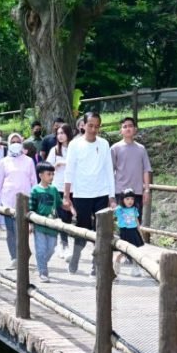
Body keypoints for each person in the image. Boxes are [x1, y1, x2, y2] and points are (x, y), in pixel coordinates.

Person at [63, 112, 115, 276]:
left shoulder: (104, 144)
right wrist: (66, 195)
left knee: (101, 229)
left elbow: (109, 170)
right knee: (83, 227)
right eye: (90, 125)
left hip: (101, 192)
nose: (93, 129)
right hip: (82, 193)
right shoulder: (75, 144)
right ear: (83, 125)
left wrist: (112, 196)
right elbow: (69, 170)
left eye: (97, 126)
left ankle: (96, 264)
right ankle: (76, 257)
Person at [0, 132, 36, 269]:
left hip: (25, 202)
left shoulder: (28, 161)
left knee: (22, 231)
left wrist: (36, 200)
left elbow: (34, 181)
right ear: (9, 144)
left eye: (18, 142)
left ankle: (24, 254)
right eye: (13, 142)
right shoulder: (4, 162)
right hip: (8, 201)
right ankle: (15, 258)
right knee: (11, 231)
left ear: (22, 144)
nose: (16, 144)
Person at [111, 117, 152, 222]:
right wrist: (110, 195)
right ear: (120, 130)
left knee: (136, 221)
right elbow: (110, 171)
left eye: (130, 126)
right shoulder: (115, 148)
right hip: (120, 192)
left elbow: (146, 170)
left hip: (137, 192)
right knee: (122, 222)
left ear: (135, 129)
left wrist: (147, 190)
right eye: (124, 127)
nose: (128, 129)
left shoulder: (141, 149)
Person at [29, 162, 62, 283]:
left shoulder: (54, 189)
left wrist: (69, 206)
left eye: (53, 174)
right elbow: (31, 208)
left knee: (51, 248)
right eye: (49, 174)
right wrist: (30, 224)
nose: (51, 177)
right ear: (41, 175)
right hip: (39, 225)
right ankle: (43, 272)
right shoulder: (35, 190)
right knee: (41, 249)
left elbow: (59, 204)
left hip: (52, 225)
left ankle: (41, 263)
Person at [45, 123, 74, 258]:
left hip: (74, 187)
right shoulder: (54, 150)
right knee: (62, 216)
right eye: (58, 133)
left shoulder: (75, 148)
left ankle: (64, 244)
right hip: (58, 187)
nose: (60, 136)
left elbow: (78, 163)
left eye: (63, 133)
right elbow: (47, 166)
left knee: (69, 217)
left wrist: (63, 162)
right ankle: (64, 244)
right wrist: (54, 166)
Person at [113, 188, 144, 277]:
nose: (130, 201)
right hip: (124, 232)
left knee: (134, 251)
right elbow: (111, 217)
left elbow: (136, 221)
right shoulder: (119, 209)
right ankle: (116, 268)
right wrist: (113, 229)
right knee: (123, 252)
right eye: (127, 199)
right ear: (122, 200)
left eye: (132, 199)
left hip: (133, 231)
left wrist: (140, 232)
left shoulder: (134, 209)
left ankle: (135, 269)